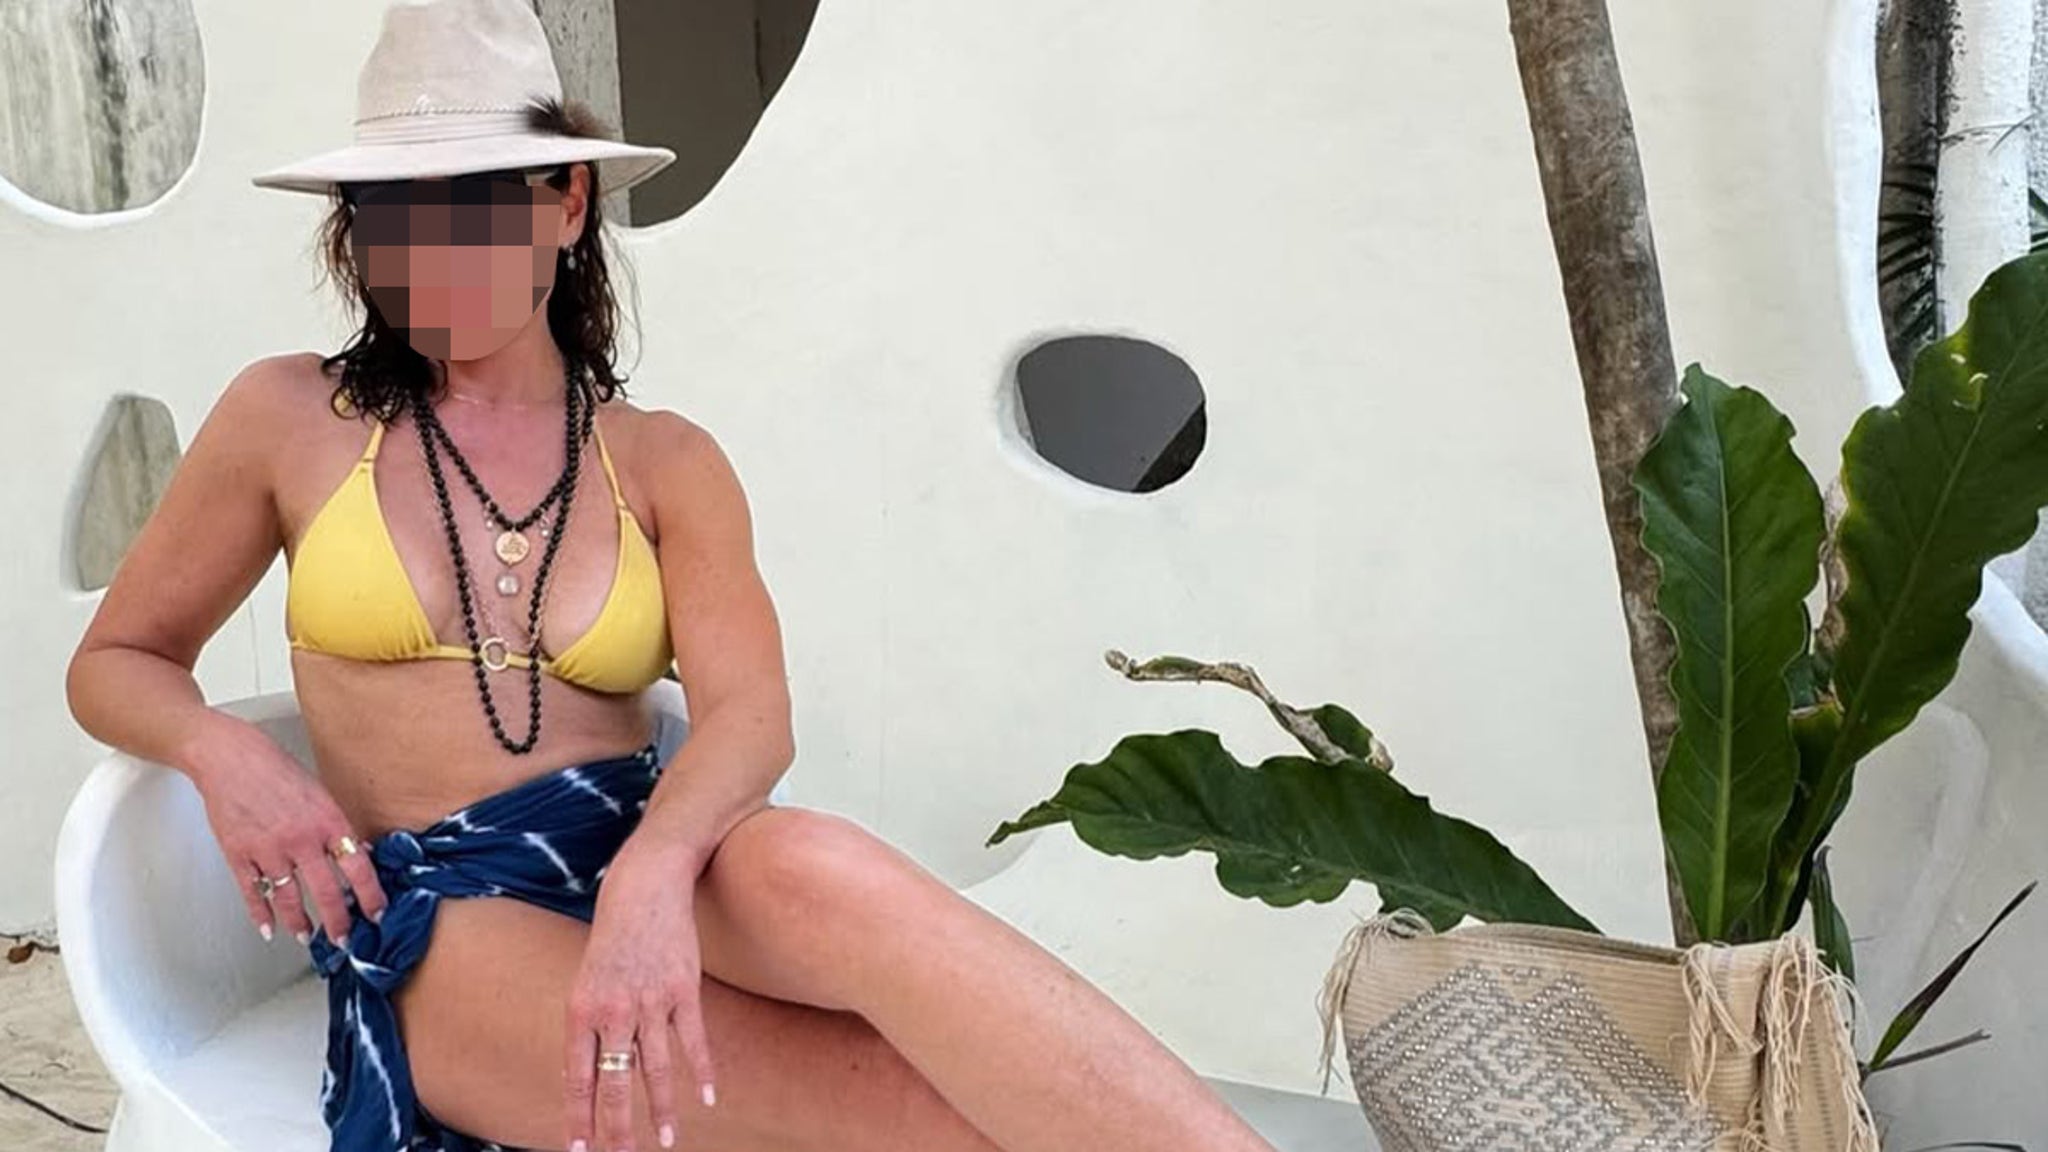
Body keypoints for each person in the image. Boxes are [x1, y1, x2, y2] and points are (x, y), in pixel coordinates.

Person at [63, 2, 1288, 1151]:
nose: (426, 251)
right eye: (392, 215)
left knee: (815, 865)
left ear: (564, 204)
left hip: (654, 851)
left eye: (470, 205)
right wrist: (226, 756)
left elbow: (750, 719)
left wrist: (651, 874)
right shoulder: (290, 417)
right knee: (908, 1107)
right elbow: (116, 661)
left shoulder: (663, 461)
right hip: (451, 912)